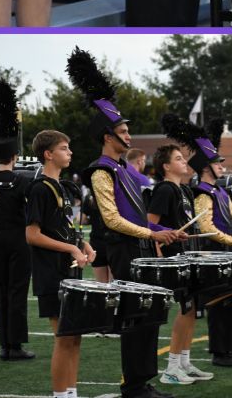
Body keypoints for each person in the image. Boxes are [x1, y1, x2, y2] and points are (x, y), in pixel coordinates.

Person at [70, 50, 184, 396]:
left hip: (143, 247)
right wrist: (152, 232)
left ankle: (143, 379)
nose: (129, 136)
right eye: (122, 131)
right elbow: (112, 219)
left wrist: (161, 235)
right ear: (108, 136)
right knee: (136, 316)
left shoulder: (126, 170)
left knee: (150, 316)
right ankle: (133, 385)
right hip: (125, 250)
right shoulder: (102, 170)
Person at [25, 129, 94, 398]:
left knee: (75, 338)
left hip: (69, 271)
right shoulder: (40, 188)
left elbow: (63, 228)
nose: (70, 152)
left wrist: (84, 245)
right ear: (48, 154)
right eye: (64, 148)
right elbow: (32, 235)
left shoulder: (61, 187)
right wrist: (70, 248)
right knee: (64, 339)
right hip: (51, 273)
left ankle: (71, 392)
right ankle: (60, 394)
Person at [187, 120, 232, 369]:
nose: (222, 166)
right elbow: (207, 229)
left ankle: (229, 349)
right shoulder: (202, 193)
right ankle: (219, 352)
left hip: (228, 252)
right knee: (219, 303)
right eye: (218, 163)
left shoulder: (220, 191)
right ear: (206, 167)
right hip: (212, 254)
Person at [0, 79, 34, 361]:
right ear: (15, 156)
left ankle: (5, 344)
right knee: (17, 292)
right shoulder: (21, 181)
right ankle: (15, 346)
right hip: (18, 241)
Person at [146, 133, 201, 384]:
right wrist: (162, 247)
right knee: (184, 308)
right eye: (178, 159)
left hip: (187, 255)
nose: (184, 162)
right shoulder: (164, 190)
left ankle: (184, 361)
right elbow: (149, 225)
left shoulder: (185, 190)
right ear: (166, 166)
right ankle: (171, 368)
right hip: (171, 259)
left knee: (191, 309)